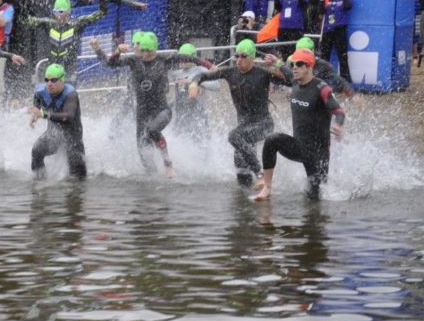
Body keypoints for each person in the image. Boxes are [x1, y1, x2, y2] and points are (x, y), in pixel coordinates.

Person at [91, 31, 207, 177]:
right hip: (142, 112)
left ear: (154, 50)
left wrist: (210, 66)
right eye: (143, 50)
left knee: (153, 130)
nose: (145, 54)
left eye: (148, 51)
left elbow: (189, 57)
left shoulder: (163, 59)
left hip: (162, 110)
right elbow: (109, 63)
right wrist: (104, 50)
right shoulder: (134, 60)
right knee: (144, 153)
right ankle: (151, 185)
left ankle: (168, 165)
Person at [189, 39, 291, 186]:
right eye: (237, 56)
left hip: (263, 124)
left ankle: (260, 174)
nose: (239, 60)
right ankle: (250, 199)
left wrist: (280, 64)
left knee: (234, 136)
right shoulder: (230, 73)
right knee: (240, 168)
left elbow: (291, 81)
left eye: (243, 56)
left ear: (252, 58)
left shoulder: (263, 74)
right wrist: (194, 83)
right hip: (244, 127)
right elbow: (203, 76)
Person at [253, 48, 346, 201]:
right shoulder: (295, 82)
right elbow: (285, 69)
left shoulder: (322, 88)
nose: (294, 67)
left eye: (299, 64)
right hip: (299, 147)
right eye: (293, 64)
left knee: (315, 198)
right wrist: (276, 62)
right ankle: (267, 187)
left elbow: (339, 111)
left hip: (318, 154)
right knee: (271, 140)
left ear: (309, 67)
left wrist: (338, 125)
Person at [29, 0, 107, 83]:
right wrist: (29, 1)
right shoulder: (49, 24)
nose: (58, 15)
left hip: (69, 73)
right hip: (52, 71)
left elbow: (102, 13)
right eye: (55, 12)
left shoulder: (76, 24)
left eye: (61, 11)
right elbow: (25, 20)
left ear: (69, 12)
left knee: (68, 94)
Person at [27, 63, 86, 179]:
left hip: (73, 137)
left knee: (77, 179)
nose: (49, 84)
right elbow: (37, 104)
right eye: (47, 80)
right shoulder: (40, 91)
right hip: (54, 134)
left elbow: (68, 116)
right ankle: (40, 184)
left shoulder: (70, 94)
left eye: (53, 80)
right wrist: (35, 113)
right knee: (36, 151)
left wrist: (43, 114)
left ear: (62, 80)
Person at [319, 0, 353, 83]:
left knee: (342, 57)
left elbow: (348, 6)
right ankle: (322, 82)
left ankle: (345, 83)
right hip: (327, 30)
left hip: (339, 30)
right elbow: (320, 12)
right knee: (324, 57)